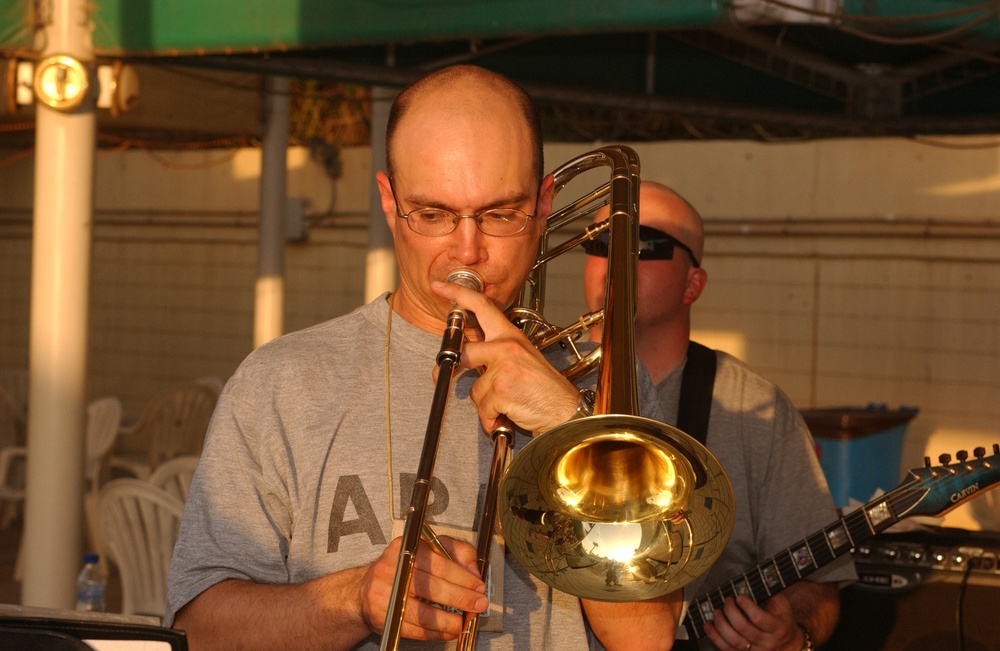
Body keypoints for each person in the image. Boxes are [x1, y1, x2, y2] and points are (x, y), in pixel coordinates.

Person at [166, 66, 682, 650]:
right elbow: (199, 633)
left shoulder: (606, 381)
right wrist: (356, 598)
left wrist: (571, 430)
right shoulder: (283, 381)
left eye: (499, 213)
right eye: (432, 215)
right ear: (389, 202)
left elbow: (650, 638)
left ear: (543, 205)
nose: (467, 249)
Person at [582, 182, 857, 651]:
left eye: (645, 245)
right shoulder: (531, 381)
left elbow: (819, 586)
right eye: (601, 242)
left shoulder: (758, 411)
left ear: (694, 285)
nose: (616, 261)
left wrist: (794, 633)